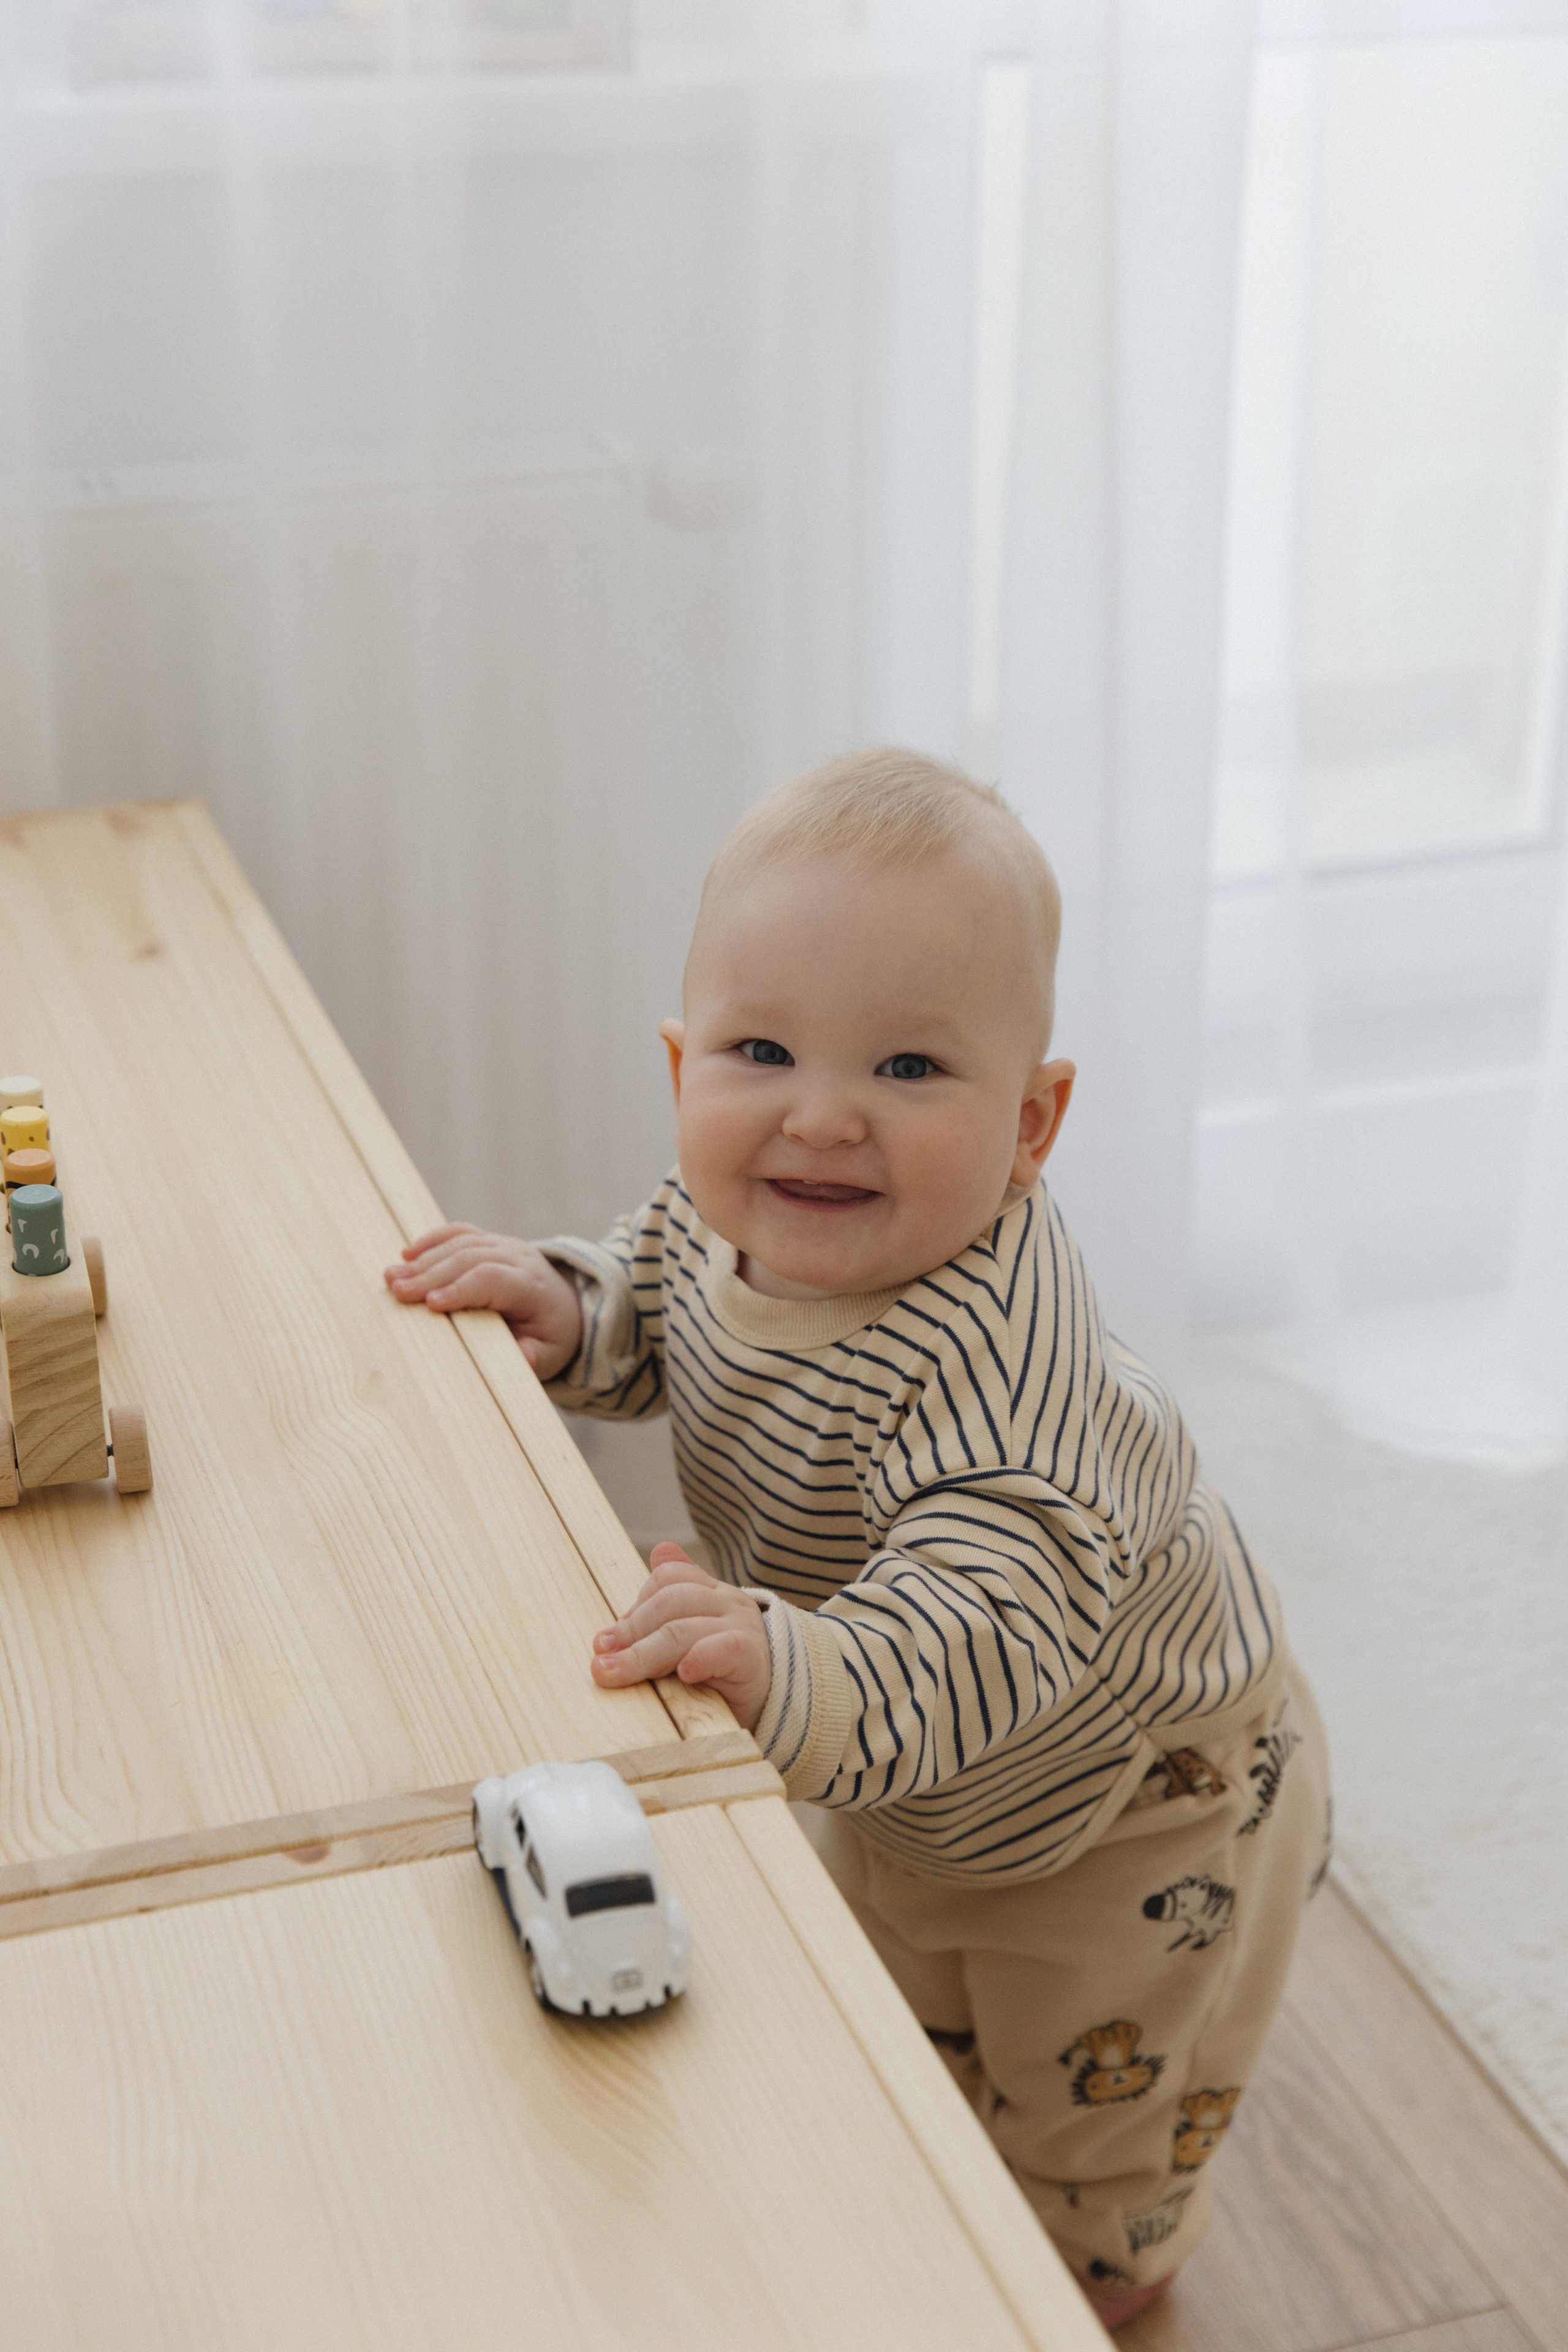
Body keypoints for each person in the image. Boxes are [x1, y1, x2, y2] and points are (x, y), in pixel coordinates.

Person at [385, 747, 1331, 2331]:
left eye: (909, 1070)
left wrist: (783, 1651)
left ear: (1032, 1121)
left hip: (1134, 1800)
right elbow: (666, 1302)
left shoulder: (1002, 1353)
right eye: (762, 1049)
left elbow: (982, 1622)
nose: (822, 1116)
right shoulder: (732, 1213)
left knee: (1090, 2101)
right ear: (684, 1064)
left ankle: (1097, 2286)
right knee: (918, 1993)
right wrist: (571, 1306)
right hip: (916, 1753)